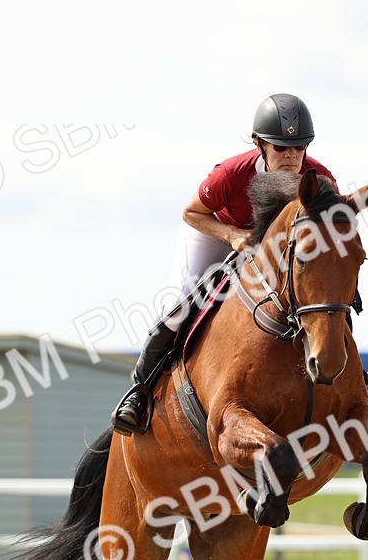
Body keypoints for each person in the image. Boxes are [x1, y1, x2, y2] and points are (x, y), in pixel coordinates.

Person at [111, 93, 337, 435]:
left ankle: (353, 387)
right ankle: (138, 393)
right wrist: (232, 235)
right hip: (215, 232)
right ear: (260, 144)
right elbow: (190, 213)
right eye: (280, 148)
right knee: (181, 303)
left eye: (299, 147)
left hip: (273, 249)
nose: (291, 156)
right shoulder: (230, 173)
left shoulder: (319, 178)